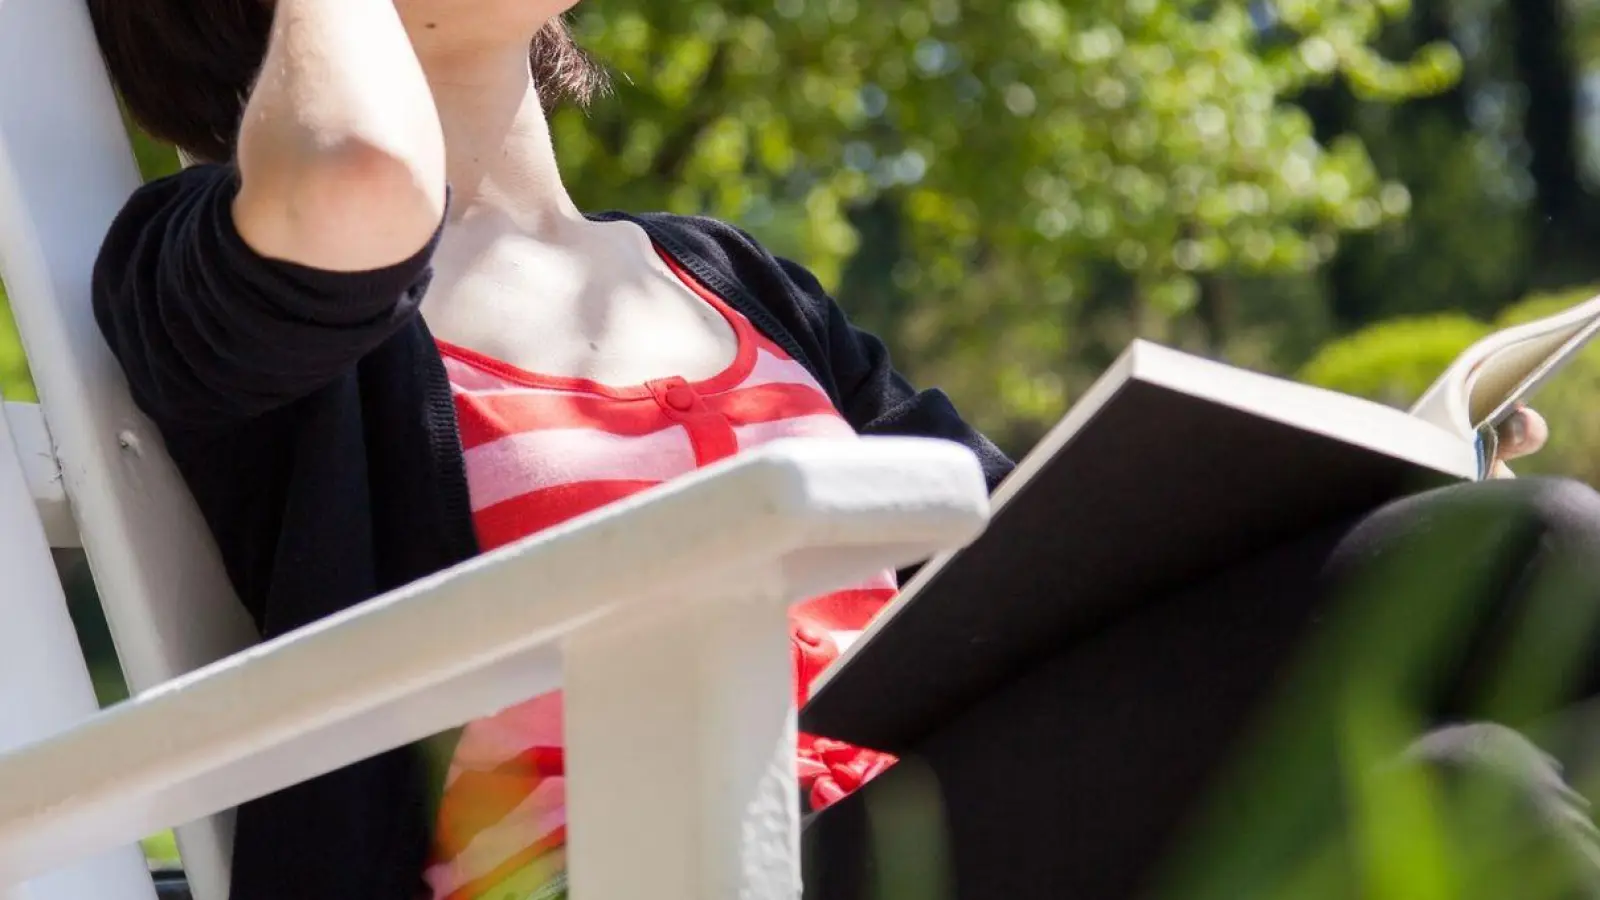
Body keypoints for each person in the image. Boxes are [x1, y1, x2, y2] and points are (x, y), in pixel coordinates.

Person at [79, 1, 1600, 898]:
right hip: (671, 868)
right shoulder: (215, 271)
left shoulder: (724, 278)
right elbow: (348, 174)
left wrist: (1362, 467)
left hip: (915, 800)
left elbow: (1024, 566)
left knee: (1530, 589)